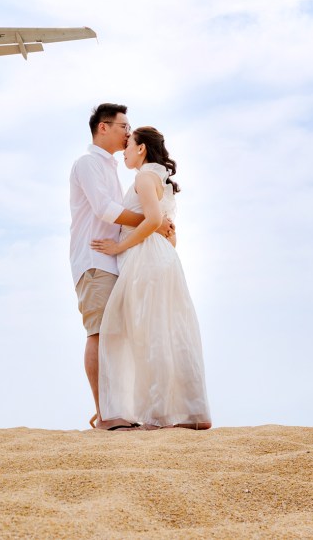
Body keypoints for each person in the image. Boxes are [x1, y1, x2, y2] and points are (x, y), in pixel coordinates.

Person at [92, 126, 211, 430]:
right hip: (164, 259)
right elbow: (168, 235)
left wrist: (119, 245)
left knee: (150, 335)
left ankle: (158, 415)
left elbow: (155, 221)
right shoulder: (162, 181)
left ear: (142, 148)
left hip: (146, 261)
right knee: (172, 332)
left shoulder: (144, 177)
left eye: (129, 145)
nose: (125, 150)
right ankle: (193, 413)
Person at [70, 104, 174, 430]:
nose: (128, 132)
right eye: (123, 126)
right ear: (104, 127)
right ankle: (105, 414)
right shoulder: (87, 163)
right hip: (95, 259)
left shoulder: (112, 168)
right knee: (99, 332)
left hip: (116, 260)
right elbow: (104, 209)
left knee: (117, 336)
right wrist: (153, 223)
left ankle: (114, 409)